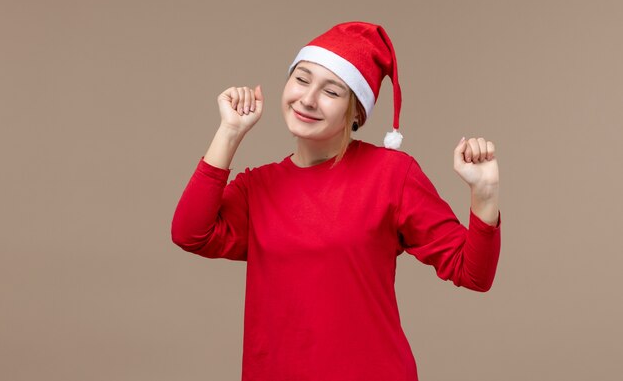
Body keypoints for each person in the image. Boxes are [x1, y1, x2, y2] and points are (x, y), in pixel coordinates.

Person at [171, 21, 501, 381]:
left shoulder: (391, 175)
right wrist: (230, 132)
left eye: (331, 91)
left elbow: (473, 273)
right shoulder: (258, 187)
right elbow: (190, 233)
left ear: (356, 112)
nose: (308, 99)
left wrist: (483, 194)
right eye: (301, 79)